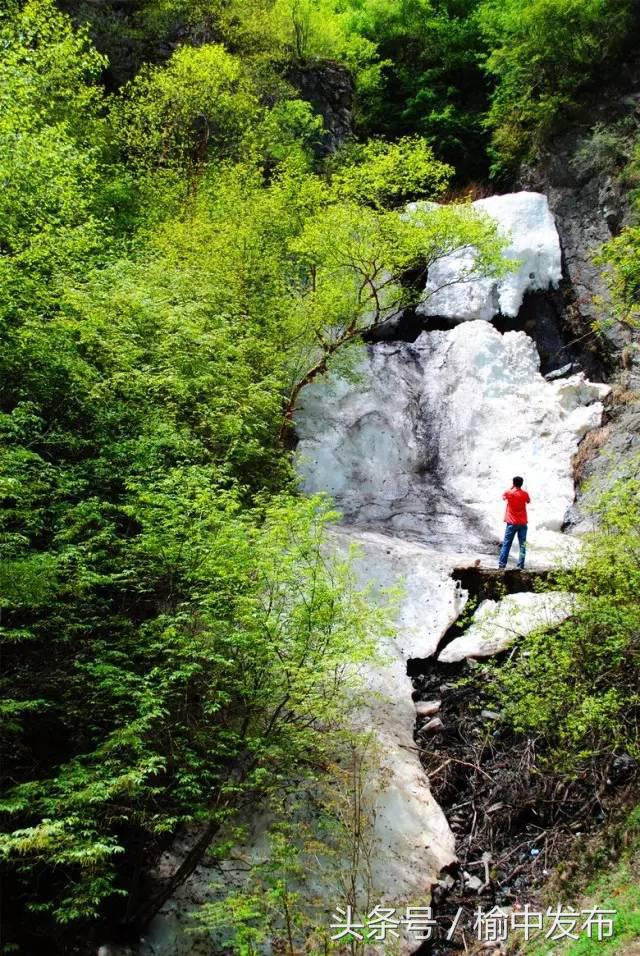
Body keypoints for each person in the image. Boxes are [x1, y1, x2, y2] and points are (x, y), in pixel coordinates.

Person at [498, 476, 530, 570]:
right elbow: (528, 501)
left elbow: (503, 497)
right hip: (523, 523)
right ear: (522, 484)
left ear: (513, 483)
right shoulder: (525, 494)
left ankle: (502, 565)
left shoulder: (509, 493)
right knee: (523, 545)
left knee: (506, 544)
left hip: (511, 523)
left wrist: (511, 488)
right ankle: (521, 565)